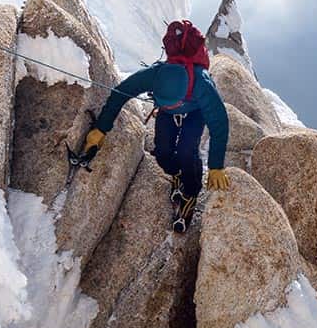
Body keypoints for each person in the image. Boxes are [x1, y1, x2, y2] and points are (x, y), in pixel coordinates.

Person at [78, 19, 230, 232]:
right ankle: (176, 173)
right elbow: (119, 94)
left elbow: (220, 124)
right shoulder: (154, 74)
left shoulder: (202, 84)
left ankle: (190, 193)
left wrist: (216, 166)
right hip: (167, 112)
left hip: (195, 112)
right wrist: (100, 130)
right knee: (163, 153)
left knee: (187, 151)